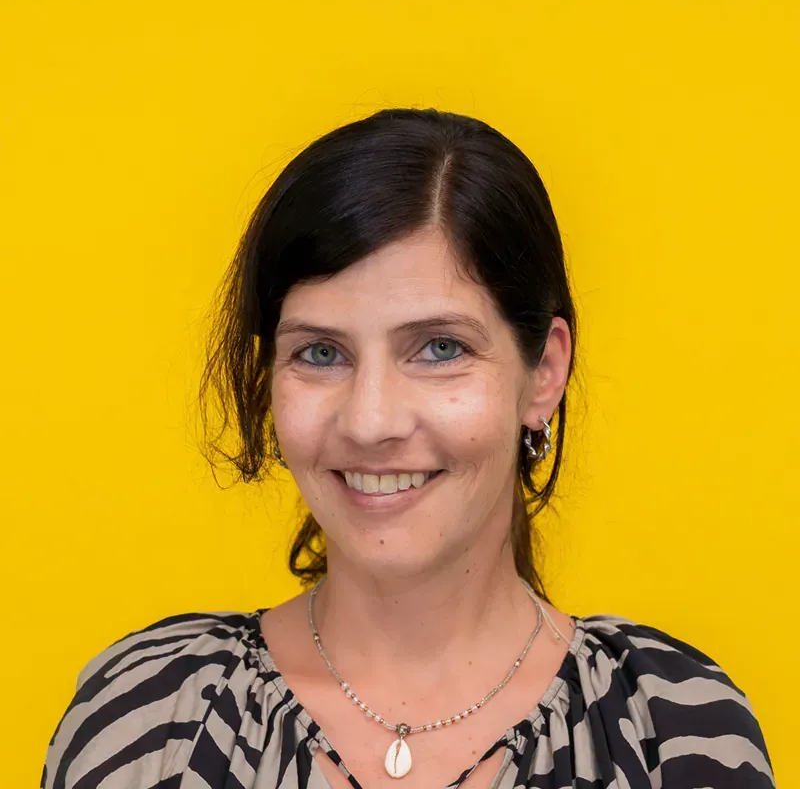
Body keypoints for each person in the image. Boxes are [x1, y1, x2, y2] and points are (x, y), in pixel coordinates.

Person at [41, 108, 775, 788]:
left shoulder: (676, 733)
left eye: (440, 348)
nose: (369, 421)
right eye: (320, 353)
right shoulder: (146, 719)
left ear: (543, 373)